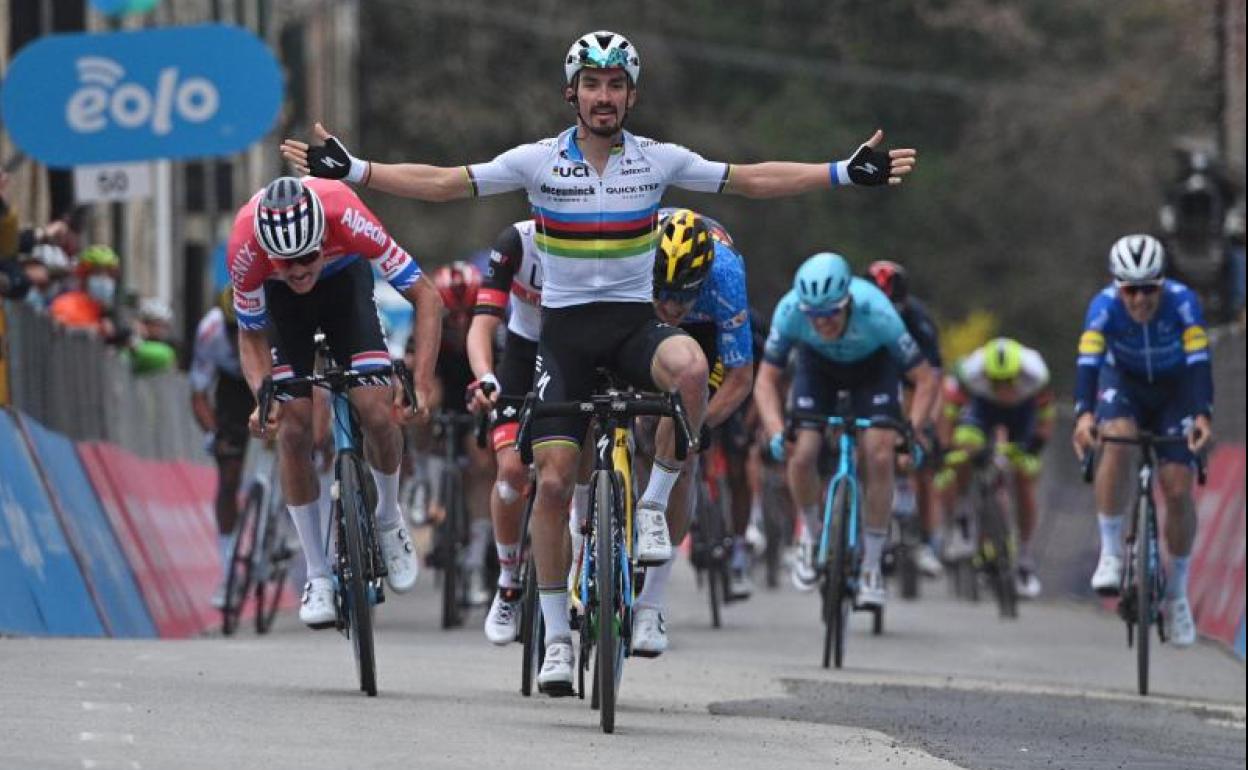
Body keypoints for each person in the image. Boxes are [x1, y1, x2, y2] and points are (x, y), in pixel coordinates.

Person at [280, 29, 916, 694]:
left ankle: (653, 504)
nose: (604, 96)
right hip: (565, 338)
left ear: (631, 95)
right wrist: (353, 171)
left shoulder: (658, 161)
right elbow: (445, 183)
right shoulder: (536, 162)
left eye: (615, 85)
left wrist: (843, 172)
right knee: (553, 485)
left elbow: (750, 180)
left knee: (693, 369)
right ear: (572, 93)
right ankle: (557, 637)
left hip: (635, 329)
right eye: (592, 84)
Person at [231, 175, 442, 629]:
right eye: (287, 262)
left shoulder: (347, 216)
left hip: (345, 282)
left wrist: (421, 384)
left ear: (321, 239)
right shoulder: (246, 248)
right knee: (292, 428)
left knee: (377, 411)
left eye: (307, 256)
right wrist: (262, 395)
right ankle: (317, 573)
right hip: (283, 307)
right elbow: (250, 333)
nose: (300, 268)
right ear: (269, 254)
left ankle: (388, 516)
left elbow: (427, 295)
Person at [754, 253, 939, 609]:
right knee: (802, 449)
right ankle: (810, 534)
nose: (822, 323)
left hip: (873, 371)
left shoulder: (878, 311)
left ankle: (871, 566)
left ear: (848, 301)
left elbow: (925, 379)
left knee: (880, 451)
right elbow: (766, 380)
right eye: (814, 316)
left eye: (830, 314)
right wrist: (777, 431)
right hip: (817, 369)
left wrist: (913, 432)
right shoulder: (791, 310)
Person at [1072, 234, 1213, 647]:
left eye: (1149, 288)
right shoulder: (1102, 308)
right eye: (1130, 289)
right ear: (1118, 286)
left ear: (1162, 283)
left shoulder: (1185, 303)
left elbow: (1200, 363)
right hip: (1126, 386)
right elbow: (1088, 363)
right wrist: (1083, 416)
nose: (1140, 300)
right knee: (1116, 439)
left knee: (1178, 488)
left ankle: (1178, 594)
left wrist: (1203, 414)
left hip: (1175, 392)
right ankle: (1113, 552)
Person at [645, 208, 756, 609]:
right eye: (665, 293)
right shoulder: (634, 258)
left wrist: (698, 424)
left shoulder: (725, 277)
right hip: (642, 318)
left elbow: (741, 376)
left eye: (683, 295)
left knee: (682, 444)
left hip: (706, 329)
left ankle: (654, 594)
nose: (672, 307)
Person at [466, 220, 544, 644]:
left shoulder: (600, 235)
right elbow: (483, 323)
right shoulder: (516, 241)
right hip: (524, 350)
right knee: (511, 472)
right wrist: (485, 375)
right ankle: (509, 581)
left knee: (569, 474)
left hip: (579, 354)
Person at [943, 338, 1053, 598]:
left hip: (1022, 414)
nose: (1003, 389)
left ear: (1019, 376)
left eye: (1008, 382)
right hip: (981, 411)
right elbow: (950, 412)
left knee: (1026, 477)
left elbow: (1046, 418)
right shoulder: (971, 373)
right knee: (964, 449)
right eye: (997, 382)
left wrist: (1035, 447)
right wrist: (948, 446)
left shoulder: (1036, 375)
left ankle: (1024, 557)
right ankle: (963, 515)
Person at [866, 259, 944, 578]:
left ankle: (925, 539)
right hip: (869, 375)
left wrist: (924, 426)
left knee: (923, 460)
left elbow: (933, 379)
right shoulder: (854, 314)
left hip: (912, 379)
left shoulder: (919, 320)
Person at [429, 260, 496, 608]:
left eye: (465, 314)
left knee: (482, 460)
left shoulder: (491, 333)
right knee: (418, 405)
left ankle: (477, 552)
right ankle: (422, 482)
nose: (458, 324)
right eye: (450, 317)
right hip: (444, 397)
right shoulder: (428, 330)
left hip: (476, 401)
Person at [191, 288, 255, 607]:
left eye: (244, 330)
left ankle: (282, 521)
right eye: (233, 331)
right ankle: (229, 569)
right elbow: (199, 396)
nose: (236, 338)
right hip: (232, 388)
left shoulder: (273, 323)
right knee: (228, 477)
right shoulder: (210, 331)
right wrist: (215, 433)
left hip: (270, 376)